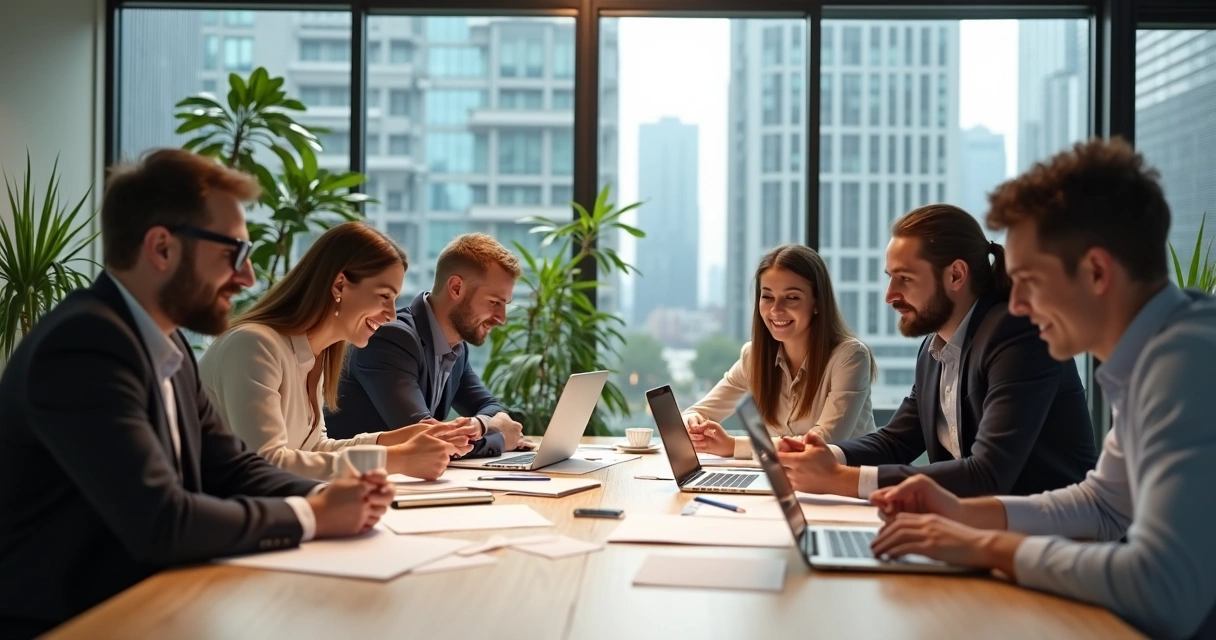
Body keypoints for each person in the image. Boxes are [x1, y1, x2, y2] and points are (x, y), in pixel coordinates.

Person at [0, 149, 392, 637]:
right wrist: (313, 514)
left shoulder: (167, 344)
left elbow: (231, 467)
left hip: (150, 605)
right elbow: (161, 521)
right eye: (233, 254)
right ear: (162, 248)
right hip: (73, 623)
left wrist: (331, 495)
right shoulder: (83, 345)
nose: (247, 277)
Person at [868, 139, 1216, 640]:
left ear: (1096, 272)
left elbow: (1165, 589)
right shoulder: (1153, 357)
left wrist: (986, 546)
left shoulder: (1186, 364)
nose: (1018, 305)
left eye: (1028, 280)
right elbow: (1103, 506)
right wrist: (961, 512)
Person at [775, 204, 1096, 499]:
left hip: (1052, 534)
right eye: (890, 278)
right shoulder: (934, 349)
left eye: (905, 279)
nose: (890, 295)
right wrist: (825, 455)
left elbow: (988, 474)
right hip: (978, 524)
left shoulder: (1018, 336)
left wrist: (840, 479)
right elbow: (896, 440)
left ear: (956, 275)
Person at [199, 222, 477, 482]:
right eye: (384, 296)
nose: (391, 315)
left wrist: (399, 439)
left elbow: (313, 449)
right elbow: (266, 464)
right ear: (339, 285)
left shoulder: (314, 356)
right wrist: (396, 459)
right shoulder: (253, 345)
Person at [325, 233, 528, 454]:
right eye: (494, 302)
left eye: (504, 304)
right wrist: (500, 439)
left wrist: (481, 425)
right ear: (456, 288)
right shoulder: (391, 338)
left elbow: (492, 408)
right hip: (353, 472)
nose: (502, 318)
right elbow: (428, 441)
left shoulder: (456, 348)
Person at [682, 244, 877, 460]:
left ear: (818, 303)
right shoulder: (753, 357)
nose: (776, 309)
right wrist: (694, 424)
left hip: (848, 479)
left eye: (791, 297)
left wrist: (733, 445)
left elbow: (821, 444)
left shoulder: (850, 357)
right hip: (785, 477)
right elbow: (695, 412)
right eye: (767, 297)